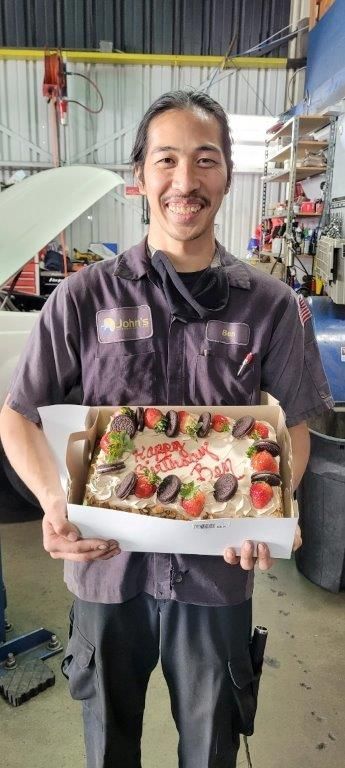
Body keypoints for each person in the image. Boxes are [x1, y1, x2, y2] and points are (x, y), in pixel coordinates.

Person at [0, 91, 334, 768]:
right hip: (104, 570)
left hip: (215, 576)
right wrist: (53, 502)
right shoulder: (83, 298)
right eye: (167, 160)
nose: (185, 181)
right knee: (107, 742)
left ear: (226, 176)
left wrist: (276, 506)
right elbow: (17, 414)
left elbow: (296, 424)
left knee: (210, 744)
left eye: (204, 160)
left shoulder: (269, 305)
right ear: (141, 176)